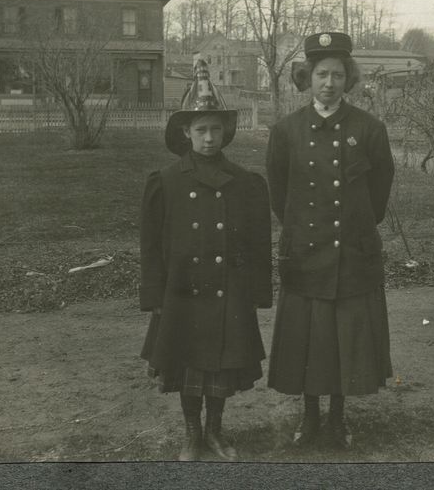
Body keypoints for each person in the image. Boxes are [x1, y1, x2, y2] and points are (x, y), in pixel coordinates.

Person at [266, 32, 395, 449]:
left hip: (351, 256)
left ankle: (338, 419)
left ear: (348, 78)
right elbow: (278, 192)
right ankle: (308, 417)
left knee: (344, 342)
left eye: (338, 74)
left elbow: (379, 194)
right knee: (311, 340)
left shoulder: (369, 128)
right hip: (305, 254)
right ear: (308, 77)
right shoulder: (287, 130)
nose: (329, 82)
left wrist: (351, 229)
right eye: (322, 73)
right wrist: (304, 229)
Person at [139, 59, 272, 461]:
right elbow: (150, 245)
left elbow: (258, 243)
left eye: (216, 129)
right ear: (186, 132)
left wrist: (256, 291)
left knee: (219, 368)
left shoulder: (245, 183)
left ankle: (215, 430)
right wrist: (155, 294)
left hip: (227, 290)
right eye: (201, 130)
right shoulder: (166, 182)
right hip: (182, 289)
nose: (209, 138)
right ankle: (192, 433)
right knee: (185, 366)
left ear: (226, 132)